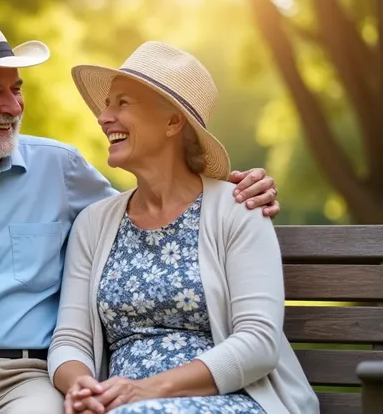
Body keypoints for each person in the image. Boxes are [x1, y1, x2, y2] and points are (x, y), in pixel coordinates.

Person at [0, 15, 282, 414]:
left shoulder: (61, 169)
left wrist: (237, 186)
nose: (13, 106)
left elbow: (159, 202)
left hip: (24, 381)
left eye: (16, 89)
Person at [47, 41, 319, 414]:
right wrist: (83, 387)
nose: (103, 117)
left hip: (233, 400)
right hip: (122, 405)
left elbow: (258, 342)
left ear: (173, 122)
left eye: (122, 103)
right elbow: (71, 339)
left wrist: (146, 392)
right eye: (106, 105)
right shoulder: (94, 223)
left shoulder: (238, 208)